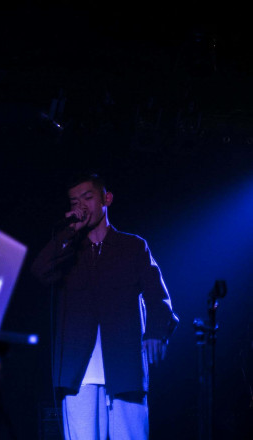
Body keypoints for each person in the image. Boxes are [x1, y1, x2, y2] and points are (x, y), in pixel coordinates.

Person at [31, 172, 179, 440]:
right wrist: (69, 232)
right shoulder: (68, 251)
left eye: (87, 197)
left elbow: (157, 295)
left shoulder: (132, 246)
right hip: (78, 372)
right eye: (74, 202)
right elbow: (40, 270)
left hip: (125, 367)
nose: (81, 206)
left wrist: (156, 332)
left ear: (106, 199)